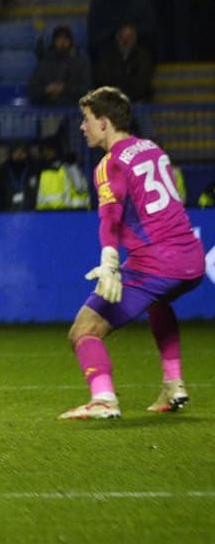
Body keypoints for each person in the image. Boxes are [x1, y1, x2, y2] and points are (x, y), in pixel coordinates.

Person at [58, 86, 205, 420]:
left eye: (87, 120)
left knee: (83, 331)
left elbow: (110, 217)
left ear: (105, 123)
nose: (83, 127)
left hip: (157, 264)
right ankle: (174, 383)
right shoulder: (152, 148)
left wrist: (109, 261)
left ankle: (104, 399)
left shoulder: (110, 164)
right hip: (192, 260)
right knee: (158, 302)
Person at [29, 25, 90, 106]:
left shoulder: (81, 63)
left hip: (72, 109)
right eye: (59, 38)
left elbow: (87, 90)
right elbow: (32, 91)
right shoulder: (44, 63)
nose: (62, 41)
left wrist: (65, 88)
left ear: (70, 41)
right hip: (47, 109)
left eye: (65, 38)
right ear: (54, 41)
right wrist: (46, 90)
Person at [93, 24, 153, 104]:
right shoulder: (106, 55)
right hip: (112, 100)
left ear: (135, 38)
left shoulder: (143, 55)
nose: (126, 41)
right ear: (117, 38)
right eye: (122, 37)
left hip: (138, 99)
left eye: (129, 37)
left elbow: (143, 81)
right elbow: (103, 78)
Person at [34, 140, 90, 211]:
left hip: (75, 212)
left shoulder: (68, 167)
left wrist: (72, 166)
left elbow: (80, 187)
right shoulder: (43, 171)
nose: (46, 153)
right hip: (49, 213)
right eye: (44, 151)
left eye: (48, 150)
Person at [0, 143, 37, 211]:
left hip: (30, 212)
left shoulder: (33, 169)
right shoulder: (3, 171)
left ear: (26, 153)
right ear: (11, 154)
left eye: (22, 152)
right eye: (16, 152)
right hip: (8, 212)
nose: (19, 155)